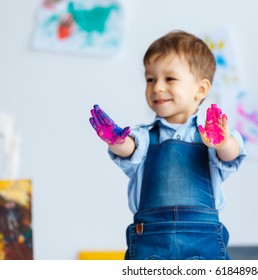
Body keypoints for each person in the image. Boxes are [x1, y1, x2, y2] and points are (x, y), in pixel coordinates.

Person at [89, 30, 246, 260]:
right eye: (150, 79)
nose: (157, 87)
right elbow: (130, 149)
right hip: (151, 243)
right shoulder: (142, 136)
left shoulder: (212, 137)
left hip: (202, 243)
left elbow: (231, 154)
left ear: (201, 89)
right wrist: (116, 140)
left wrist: (222, 142)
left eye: (169, 79)